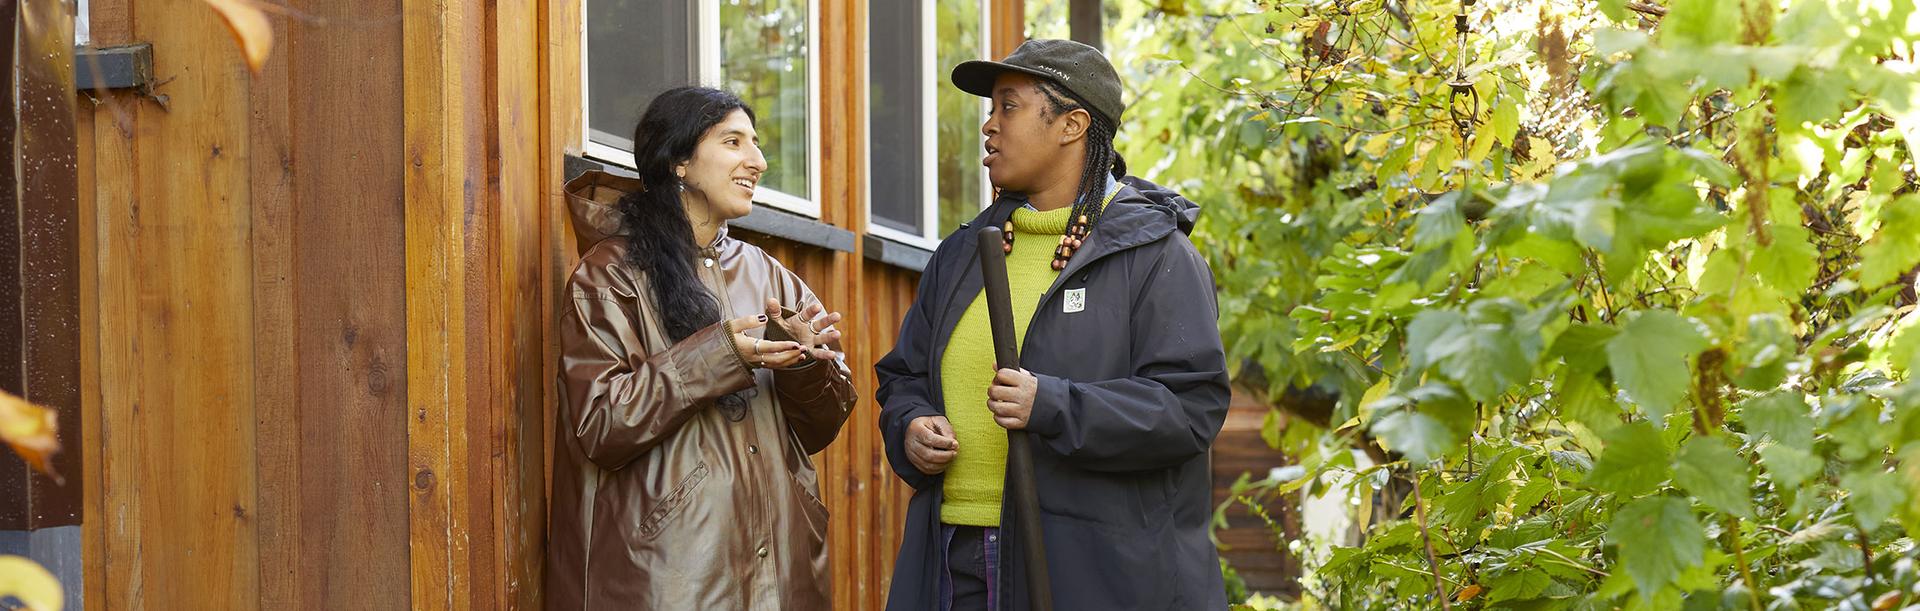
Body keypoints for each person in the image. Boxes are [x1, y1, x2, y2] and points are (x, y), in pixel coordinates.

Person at [877, 39, 1232, 610]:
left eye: (1008, 107)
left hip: (1086, 572)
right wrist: (911, 424)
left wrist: (1054, 405)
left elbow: (1190, 411)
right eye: (989, 111)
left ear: (1072, 124)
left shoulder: (1155, 255)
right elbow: (904, 378)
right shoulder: (962, 253)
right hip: (951, 554)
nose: (989, 127)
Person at [547, 86, 855, 610]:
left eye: (755, 144)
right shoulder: (608, 275)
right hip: (665, 575)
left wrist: (804, 363)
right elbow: (600, 426)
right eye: (733, 142)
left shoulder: (767, 274)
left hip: (781, 570)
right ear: (680, 162)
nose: (756, 161)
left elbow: (820, 427)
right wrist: (721, 355)